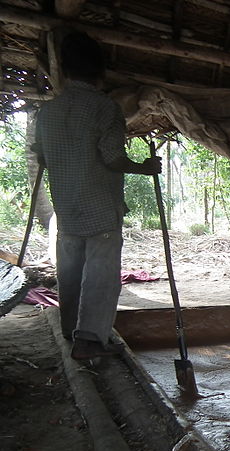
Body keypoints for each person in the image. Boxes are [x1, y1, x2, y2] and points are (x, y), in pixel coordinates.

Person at [34, 32, 162, 360]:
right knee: (101, 276)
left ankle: (69, 329)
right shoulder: (105, 108)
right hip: (101, 208)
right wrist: (145, 168)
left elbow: (43, 159)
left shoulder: (46, 114)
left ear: (63, 71)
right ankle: (89, 340)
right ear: (100, 73)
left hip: (68, 207)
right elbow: (112, 158)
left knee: (70, 272)